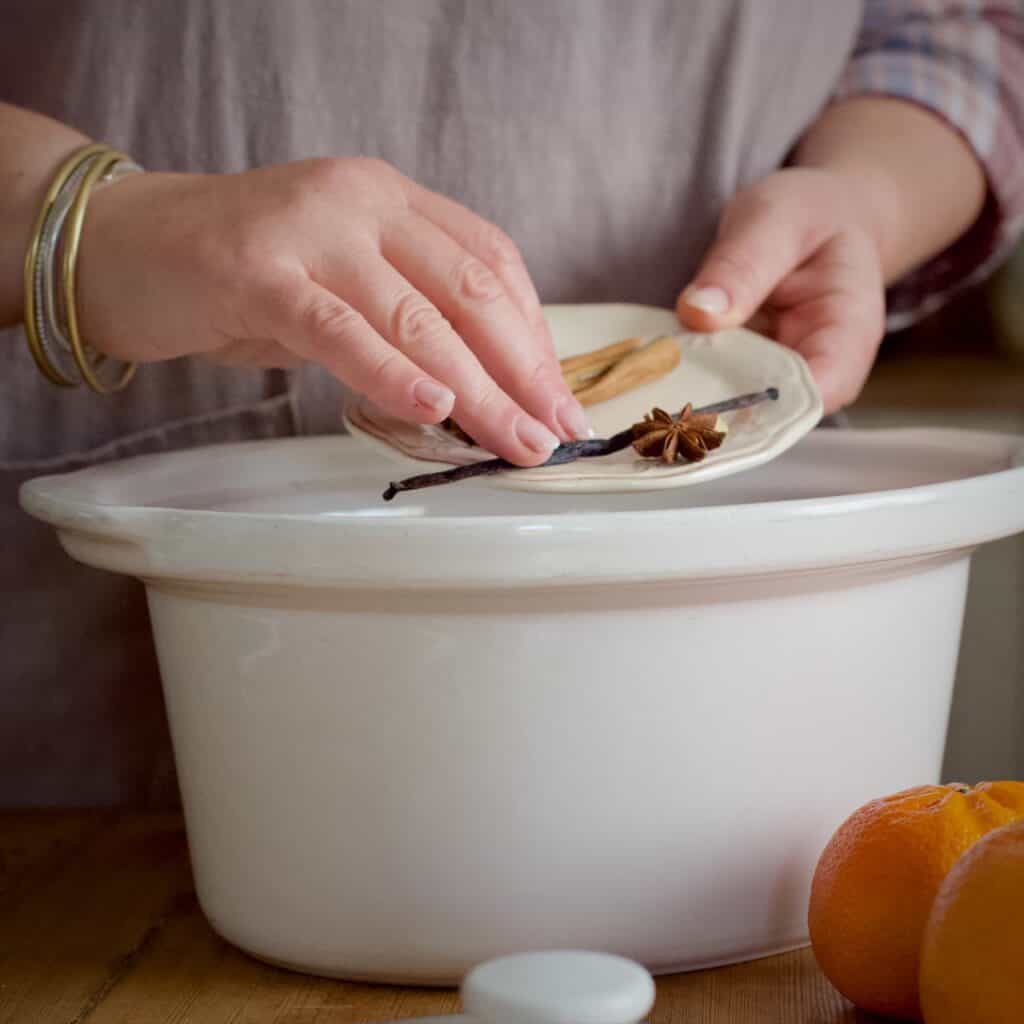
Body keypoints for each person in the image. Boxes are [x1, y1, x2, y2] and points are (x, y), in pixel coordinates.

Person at [1, 1, 1022, 807]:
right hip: (83, 716)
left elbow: (962, 28)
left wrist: (871, 196)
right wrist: (83, 224)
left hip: (724, 613)